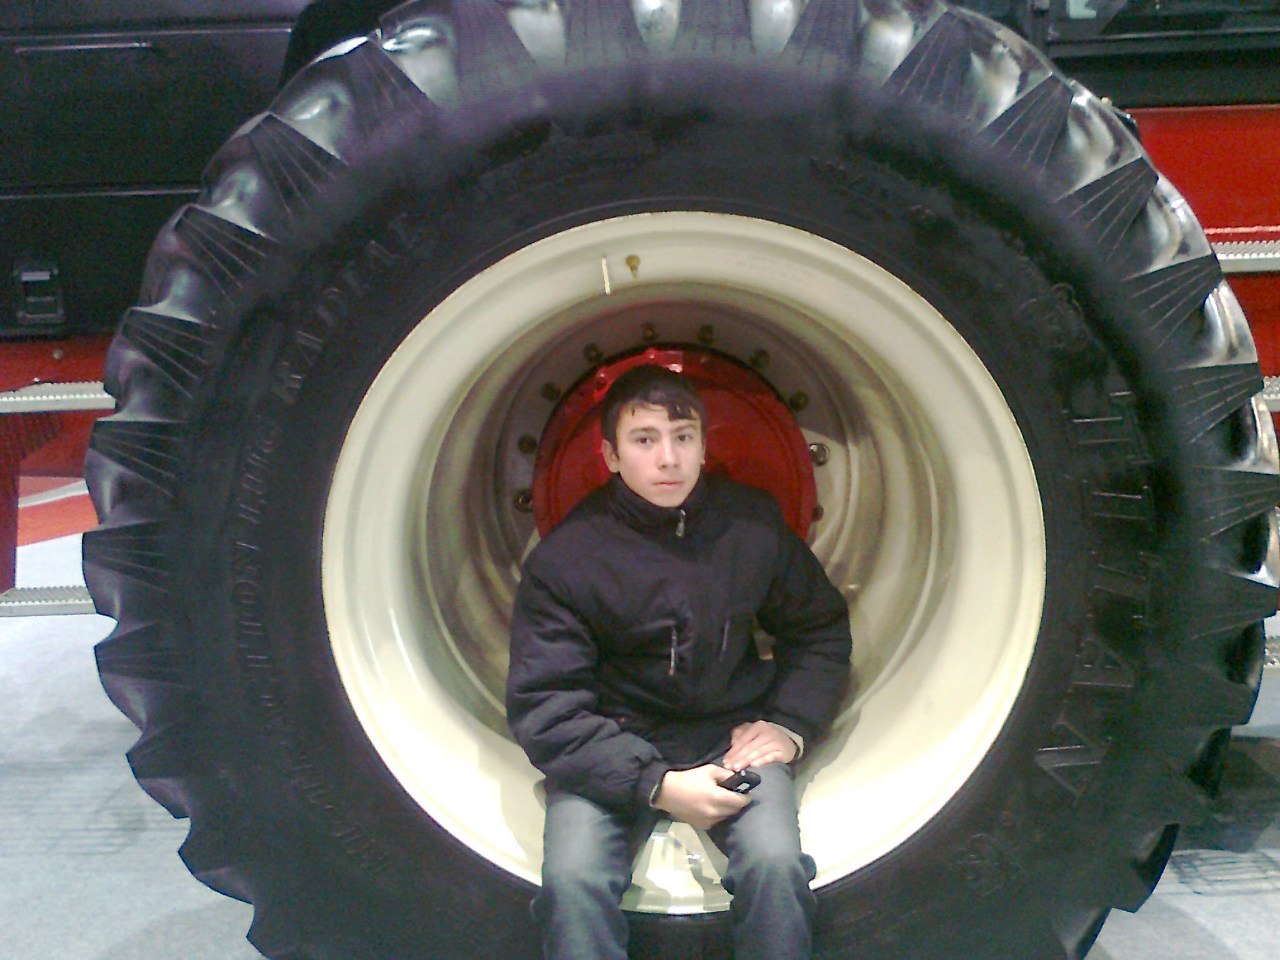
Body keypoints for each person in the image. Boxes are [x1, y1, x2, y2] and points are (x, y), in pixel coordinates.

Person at [506, 364, 852, 960]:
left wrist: (790, 724)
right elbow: (547, 707)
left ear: (703, 446)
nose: (668, 459)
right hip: (613, 743)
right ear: (610, 455)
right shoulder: (566, 560)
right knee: (573, 883)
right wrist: (656, 785)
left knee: (776, 866)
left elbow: (818, 628)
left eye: (683, 437)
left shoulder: (751, 525)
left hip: (729, 737)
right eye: (645, 440)